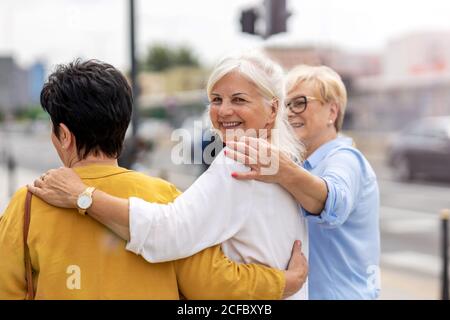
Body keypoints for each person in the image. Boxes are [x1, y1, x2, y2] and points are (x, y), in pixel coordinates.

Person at [0, 59, 307, 300]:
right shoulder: (166, 196)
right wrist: (283, 281)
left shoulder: (28, 204)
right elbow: (211, 285)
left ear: (63, 135)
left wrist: (85, 197)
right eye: (216, 99)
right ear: (123, 125)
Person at [224, 65, 381, 299]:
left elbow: (334, 202)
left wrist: (282, 170)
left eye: (299, 103)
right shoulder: (300, 164)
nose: (288, 113)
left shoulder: (345, 158)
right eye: (285, 105)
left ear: (332, 112)